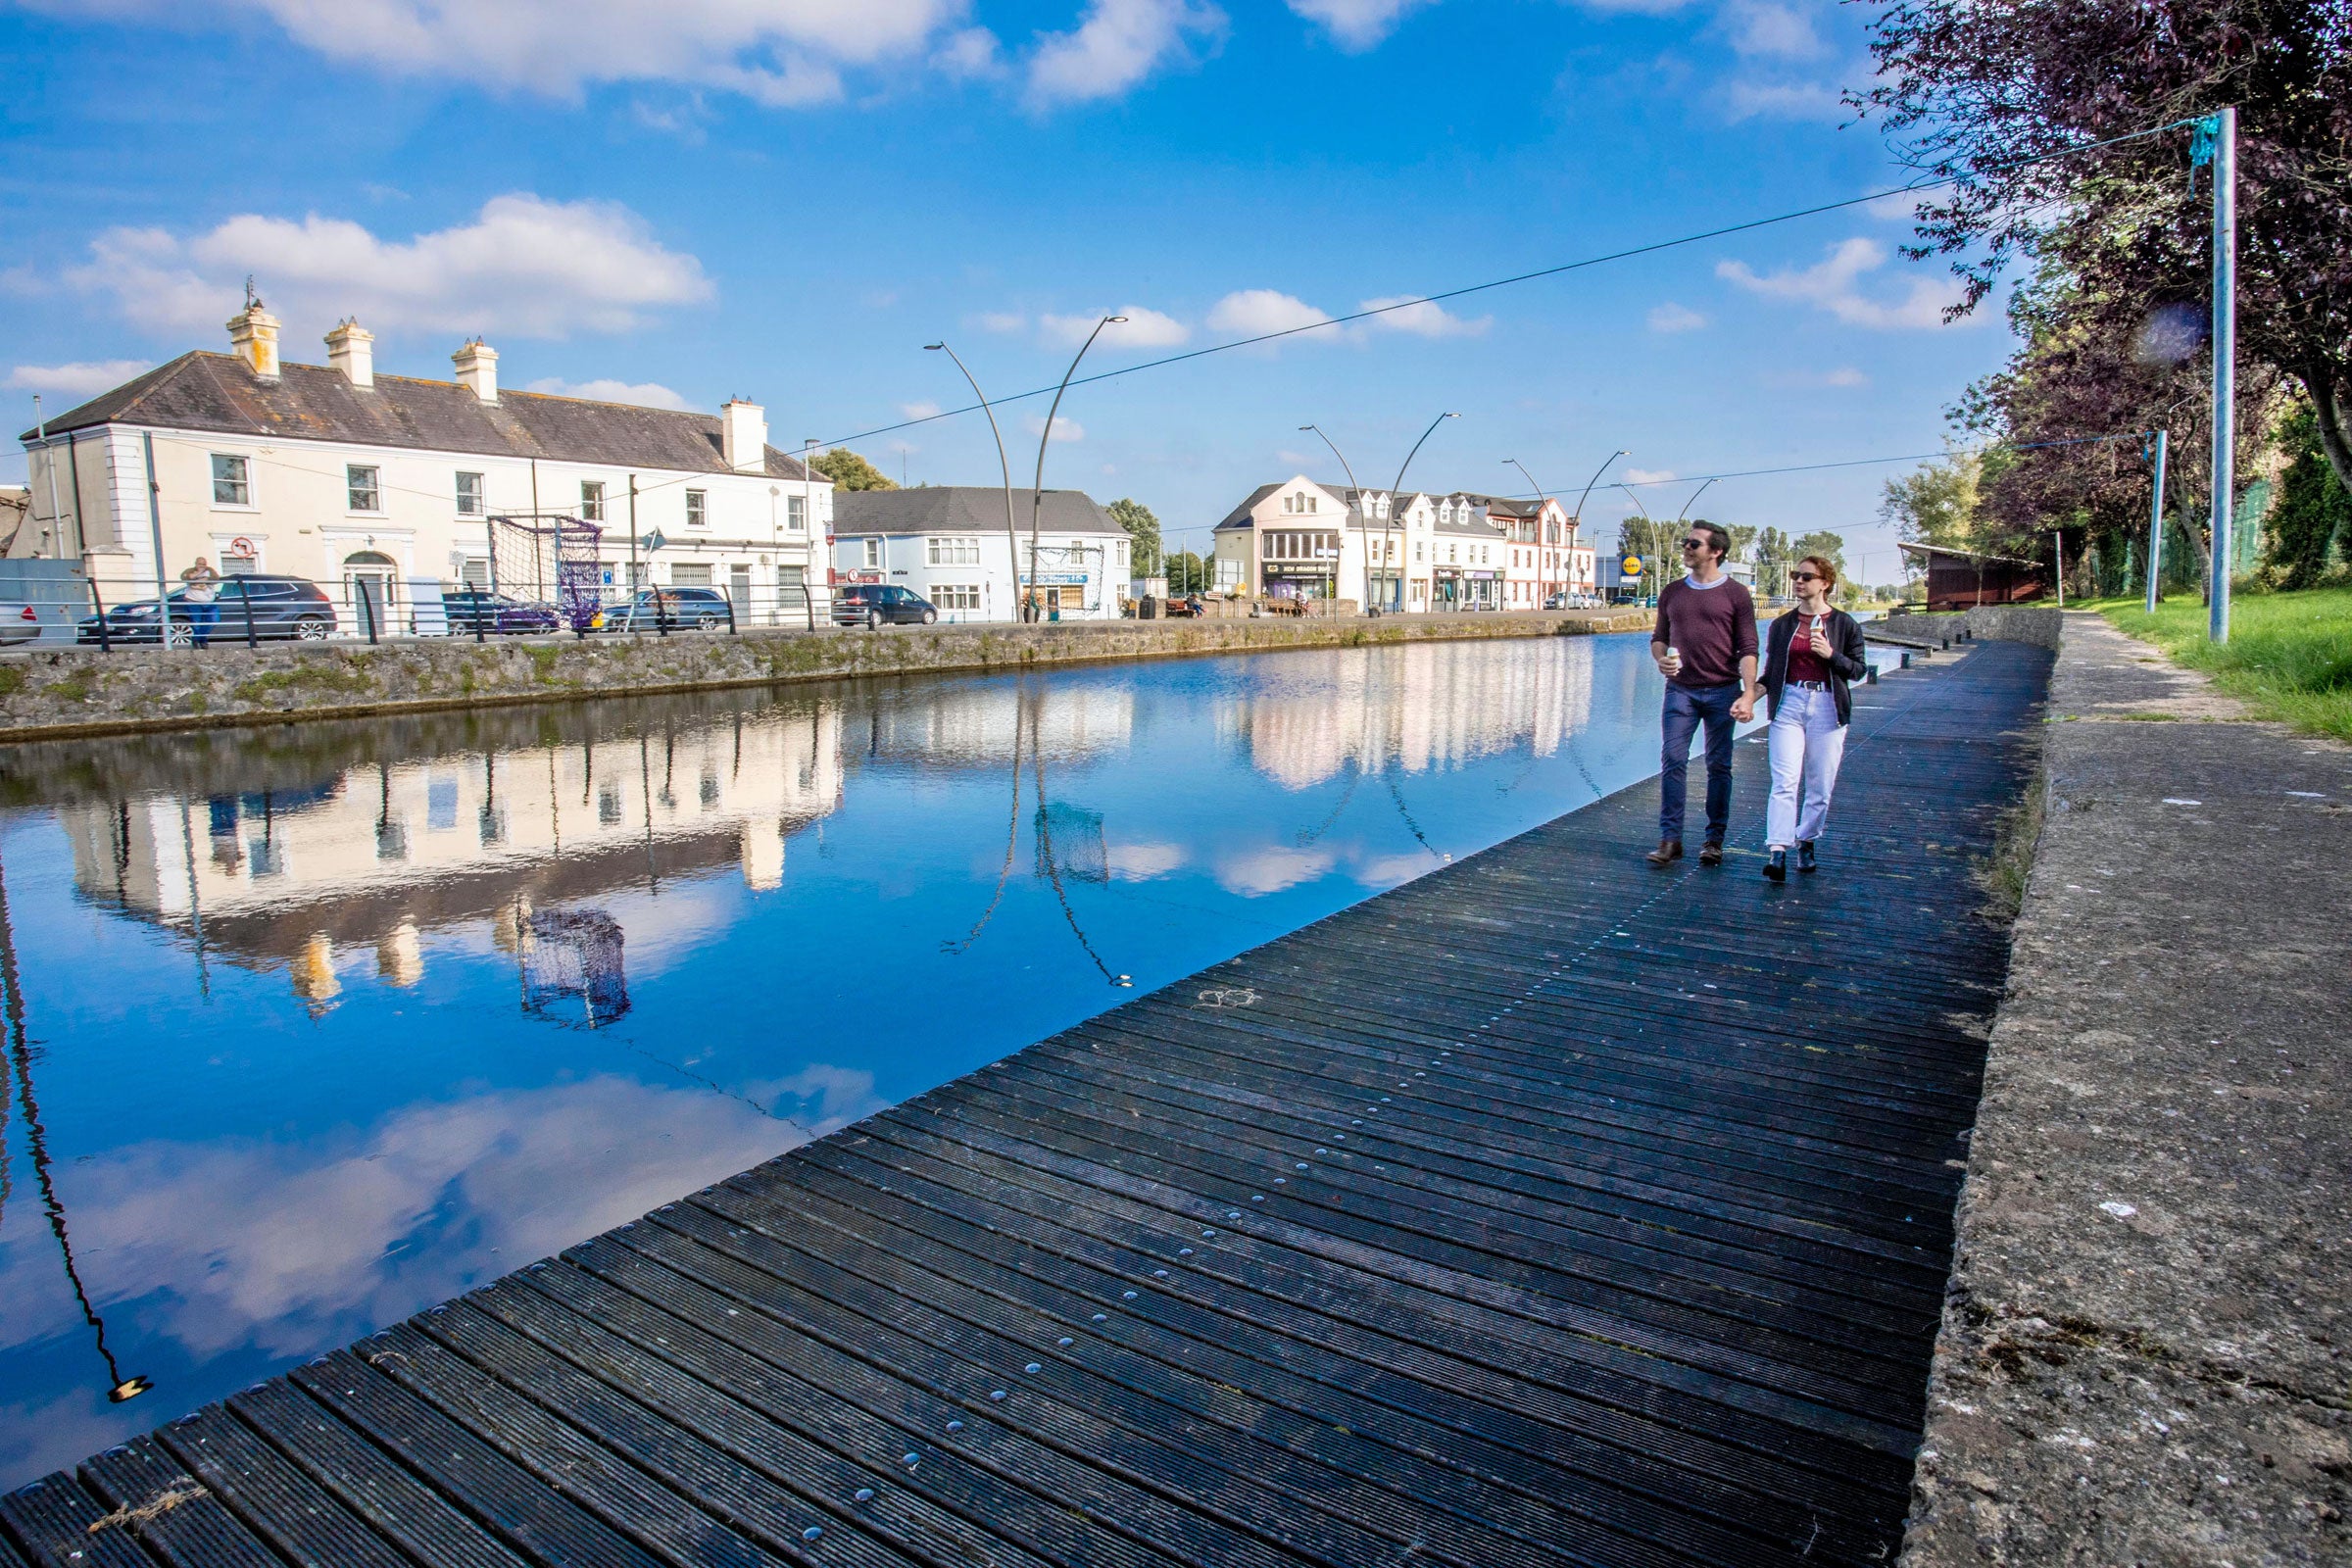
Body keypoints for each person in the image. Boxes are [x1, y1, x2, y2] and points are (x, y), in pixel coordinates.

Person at [1747, 554, 1871, 882]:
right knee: (1785, 781)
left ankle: (1807, 839)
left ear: (1825, 583)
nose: (1798, 582)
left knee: (1820, 785)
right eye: (1795, 576)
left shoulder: (1845, 624)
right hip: (1789, 703)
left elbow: (1859, 671)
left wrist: (1831, 655)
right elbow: (1771, 673)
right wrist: (1748, 699)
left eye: (1806, 576)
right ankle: (1777, 851)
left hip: (1828, 706)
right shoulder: (1782, 625)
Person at [1646, 522, 1758, 867]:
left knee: (1719, 765)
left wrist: (1749, 694)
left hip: (1724, 691)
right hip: (1681, 691)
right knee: (1673, 759)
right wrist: (1661, 659)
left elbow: (1749, 648)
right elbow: (1659, 638)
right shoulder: (1672, 591)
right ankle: (1670, 840)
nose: (1687, 547)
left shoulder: (1736, 594)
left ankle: (1713, 840)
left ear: (1716, 551)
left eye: (1694, 543)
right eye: (1686, 542)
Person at [176, 556, 220, 648]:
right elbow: (185, 577)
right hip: (193, 601)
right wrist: (198, 574)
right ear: (196, 564)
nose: (202, 566)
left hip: (209, 601)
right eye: (200, 564)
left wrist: (203, 580)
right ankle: (202, 641)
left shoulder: (210, 571)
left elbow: (216, 579)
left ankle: (198, 638)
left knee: (214, 620)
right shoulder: (190, 570)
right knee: (196, 623)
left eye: (204, 564)